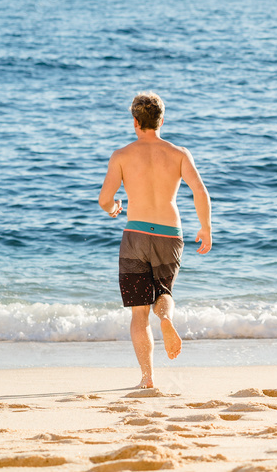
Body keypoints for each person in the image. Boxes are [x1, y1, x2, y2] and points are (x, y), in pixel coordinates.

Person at [98, 92, 212, 389]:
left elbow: (104, 200)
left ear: (134, 121)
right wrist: (205, 227)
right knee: (164, 293)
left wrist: (114, 209)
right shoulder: (179, 153)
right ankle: (166, 318)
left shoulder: (121, 155)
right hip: (169, 234)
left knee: (138, 312)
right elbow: (200, 191)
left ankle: (147, 378)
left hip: (135, 232)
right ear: (162, 120)